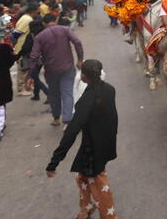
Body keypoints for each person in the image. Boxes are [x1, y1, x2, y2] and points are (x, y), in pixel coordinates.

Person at [46, 59, 118, 219]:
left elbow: (71, 133)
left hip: (93, 150)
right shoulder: (110, 90)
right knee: (82, 177)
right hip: (104, 145)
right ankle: (85, 208)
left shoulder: (87, 99)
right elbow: (113, 119)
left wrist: (54, 162)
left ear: (84, 77)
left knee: (100, 186)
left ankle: (109, 216)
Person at [30, 14, 84, 126]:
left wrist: (31, 75)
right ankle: (67, 121)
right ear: (56, 20)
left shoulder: (39, 37)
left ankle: (56, 119)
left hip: (51, 70)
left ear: (44, 23)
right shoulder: (65, 30)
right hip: (67, 68)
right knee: (67, 94)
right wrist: (80, 60)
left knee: (54, 95)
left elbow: (34, 57)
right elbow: (77, 42)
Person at [13, 2, 39, 97]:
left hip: (25, 46)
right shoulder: (26, 19)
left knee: (26, 68)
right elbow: (16, 33)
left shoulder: (27, 18)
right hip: (22, 46)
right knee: (22, 69)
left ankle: (26, 86)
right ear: (34, 11)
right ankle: (21, 89)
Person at [23, 20, 49, 102]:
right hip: (42, 59)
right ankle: (36, 95)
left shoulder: (31, 36)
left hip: (32, 59)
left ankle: (48, 93)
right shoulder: (44, 34)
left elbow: (25, 48)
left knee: (35, 77)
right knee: (35, 76)